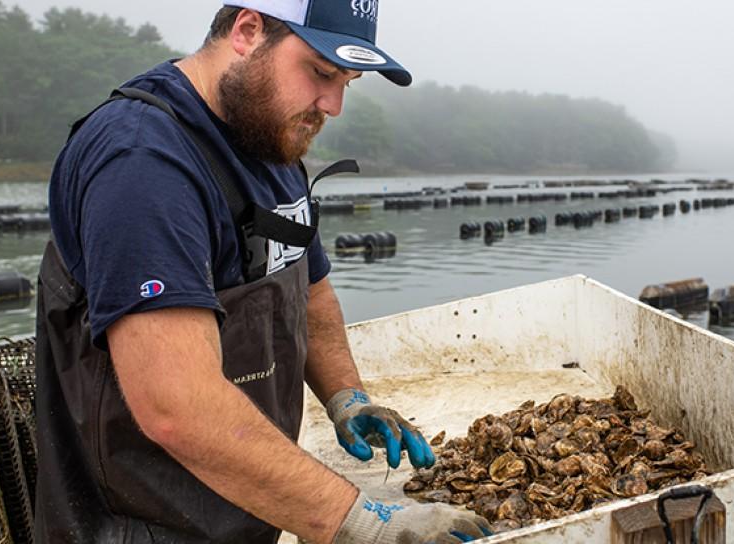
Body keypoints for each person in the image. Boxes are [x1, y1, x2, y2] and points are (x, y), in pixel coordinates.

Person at [34, 1, 492, 542]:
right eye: (321, 73)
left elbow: (309, 289)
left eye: (348, 81)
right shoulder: (141, 162)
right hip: (138, 527)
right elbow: (175, 405)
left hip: (251, 509)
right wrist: (363, 523)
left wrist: (347, 397)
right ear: (248, 31)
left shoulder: (267, 138)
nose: (334, 104)